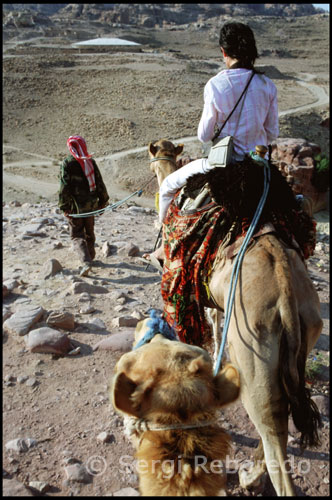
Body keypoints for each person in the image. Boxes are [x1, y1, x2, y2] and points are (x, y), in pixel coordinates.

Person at [144, 21, 279, 267]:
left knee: (167, 187)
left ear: (223, 52)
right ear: (252, 52)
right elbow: (272, 133)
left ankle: (165, 248)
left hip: (223, 165)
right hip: (260, 167)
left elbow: (204, 134)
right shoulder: (267, 85)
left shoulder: (216, 84)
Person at [58, 135, 109, 276]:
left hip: (76, 208)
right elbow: (100, 183)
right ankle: (90, 257)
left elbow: (64, 187)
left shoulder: (67, 163)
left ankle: (86, 262)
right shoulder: (90, 161)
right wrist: (103, 202)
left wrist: (64, 206)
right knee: (89, 231)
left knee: (76, 235)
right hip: (91, 206)